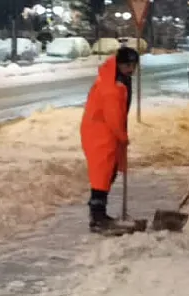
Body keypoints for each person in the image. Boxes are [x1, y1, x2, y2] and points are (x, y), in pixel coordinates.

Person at [80, 46, 139, 235]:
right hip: (101, 134)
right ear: (118, 64)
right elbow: (113, 116)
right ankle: (97, 218)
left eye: (133, 65)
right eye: (126, 65)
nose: (130, 69)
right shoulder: (112, 87)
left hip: (103, 133)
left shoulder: (117, 79)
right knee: (102, 175)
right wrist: (123, 136)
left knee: (106, 174)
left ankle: (98, 213)